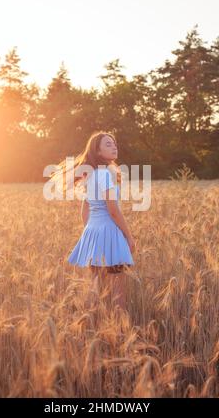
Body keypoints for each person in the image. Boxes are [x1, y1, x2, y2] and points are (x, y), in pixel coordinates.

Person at [50, 130, 136, 313]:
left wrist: (91, 233)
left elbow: (85, 208)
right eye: (108, 144)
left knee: (98, 291)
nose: (114, 146)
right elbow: (113, 210)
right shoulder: (104, 174)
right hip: (110, 233)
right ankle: (119, 332)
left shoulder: (89, 175)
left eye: (114, 143)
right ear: (97, 152)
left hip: (93, 233)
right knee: (118, 296)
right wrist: (128, 236)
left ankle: (96, 328)